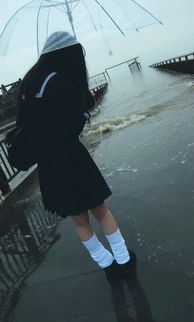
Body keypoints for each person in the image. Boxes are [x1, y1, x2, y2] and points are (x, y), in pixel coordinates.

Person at [16, 32, 136, 281]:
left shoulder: (29, 83)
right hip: (71, 157)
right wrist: (84, 108)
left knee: (79, 220)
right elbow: (69, 126)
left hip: (48, 164)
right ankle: (123, 258)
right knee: (100, 210)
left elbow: (29, 124)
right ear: (68, 54)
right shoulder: (59, 81)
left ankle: (107, 264)